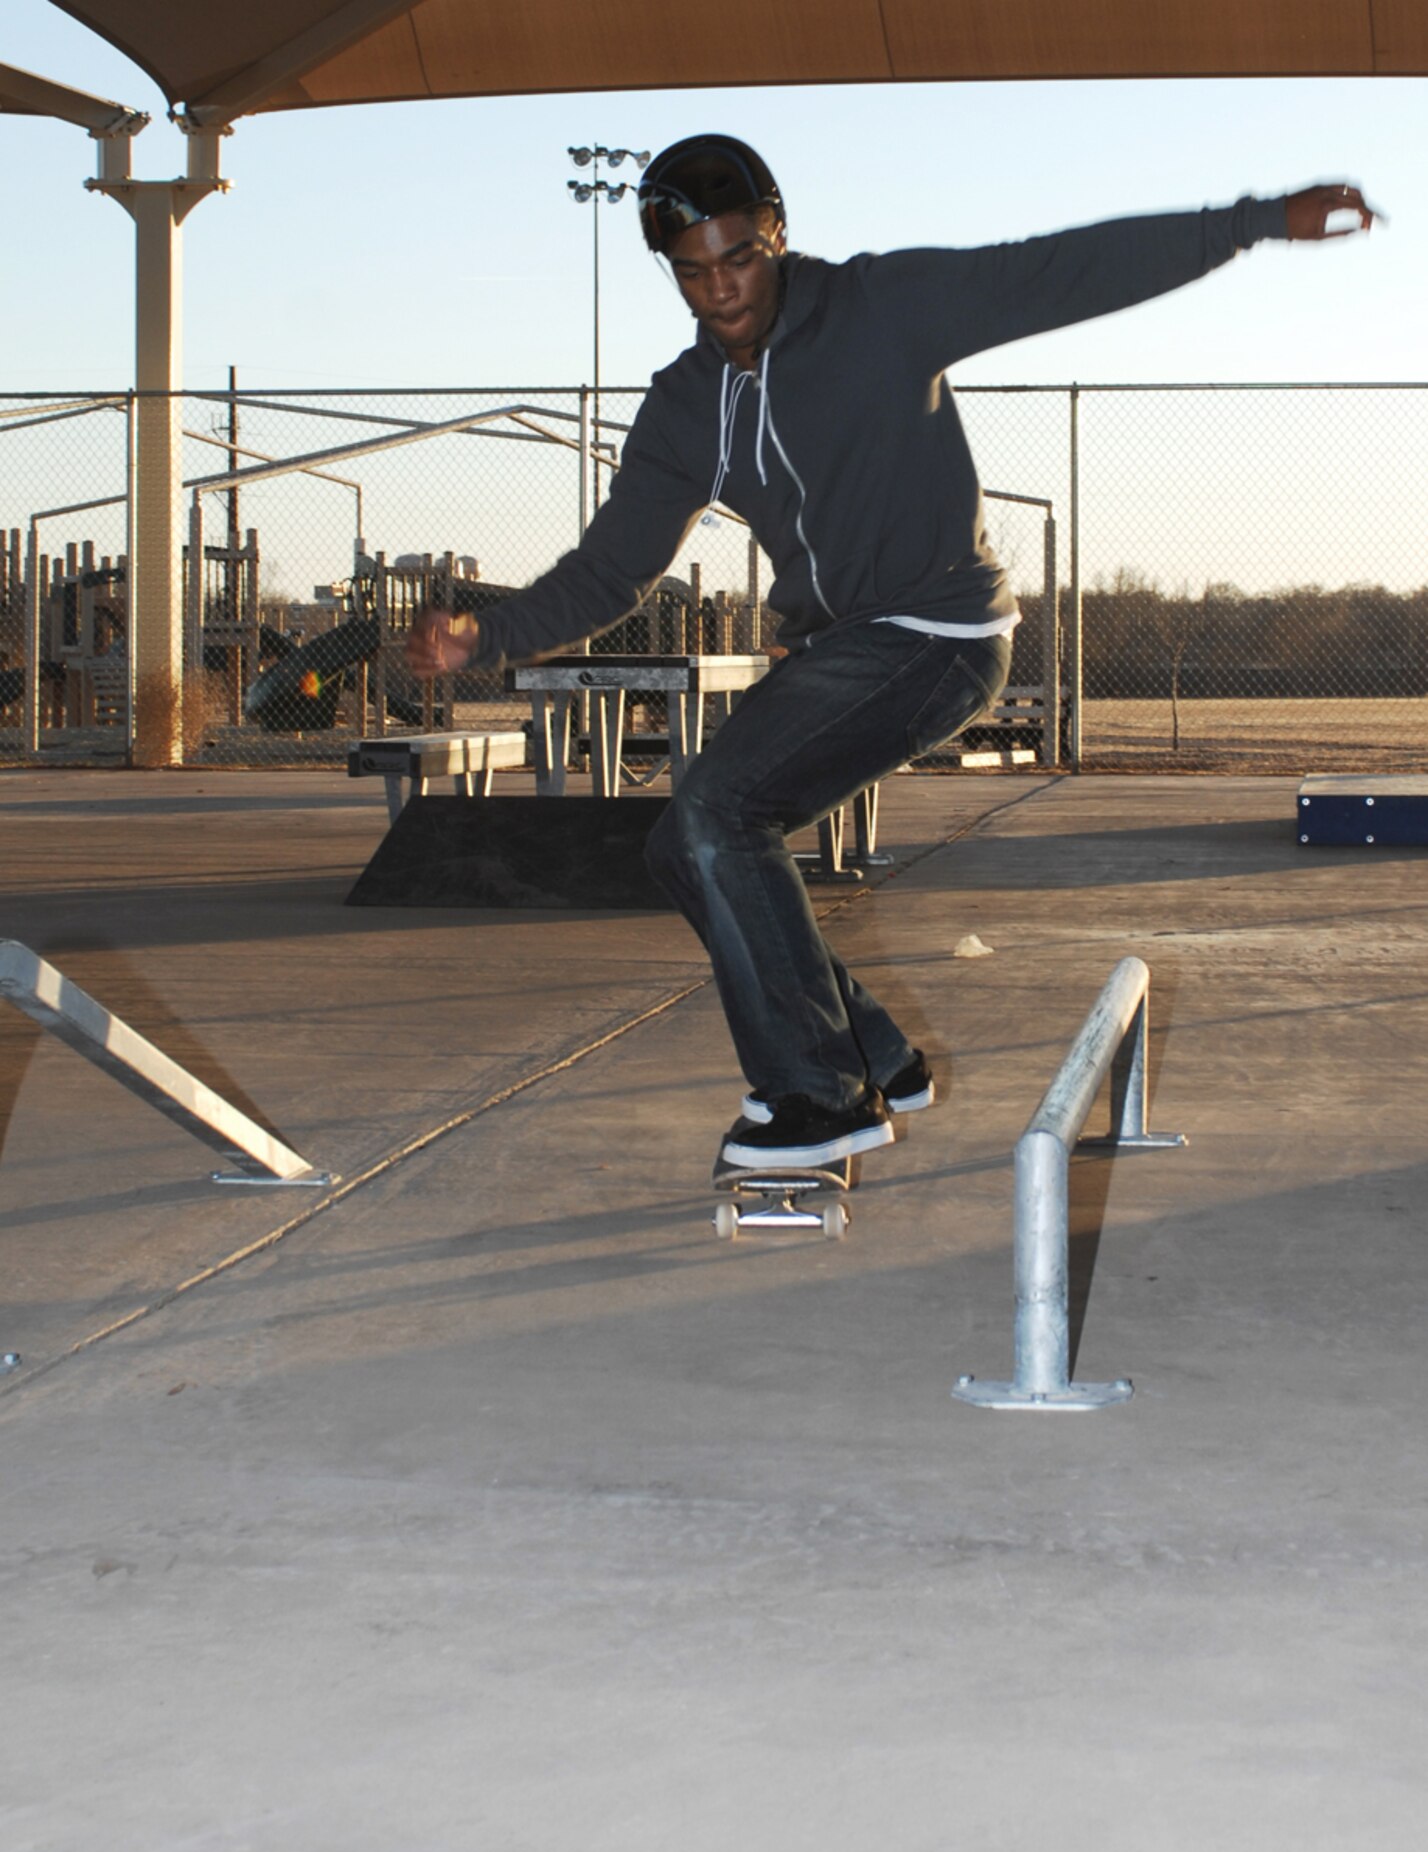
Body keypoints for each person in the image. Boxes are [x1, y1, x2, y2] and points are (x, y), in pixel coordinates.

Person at [409, 136, 1376, 1173]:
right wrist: (489, 631)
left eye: (737, 258)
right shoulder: (686, 405)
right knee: (681, 846)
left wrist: (1255, 221)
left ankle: (818, 1096)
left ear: (775, 237)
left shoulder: (884, 308)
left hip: (942, 633)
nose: (721, 289)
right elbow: (611, 571)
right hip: (845, 647)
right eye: (693, 272)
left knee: (719, 813)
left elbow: (1057, 269)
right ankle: (870, 1049)